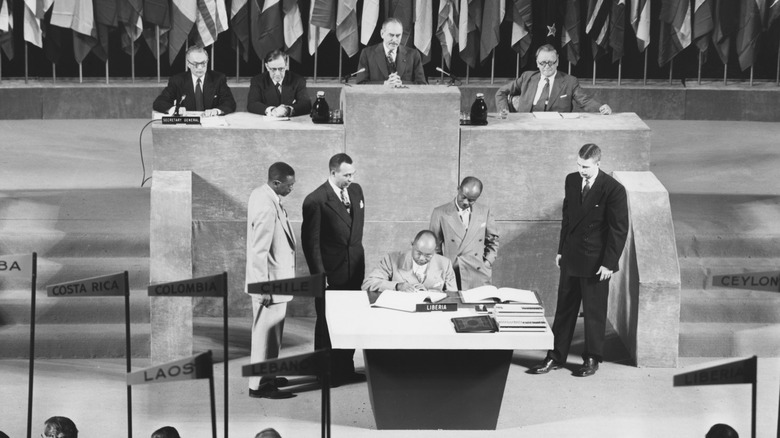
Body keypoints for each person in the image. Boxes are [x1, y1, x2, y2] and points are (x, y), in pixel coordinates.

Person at [530, 144, 628, 377]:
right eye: (578, 165)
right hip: (572, 256)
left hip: (596, 262)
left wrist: (609, 263)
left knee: (594, 312)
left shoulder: (613, 189)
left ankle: (592, 358)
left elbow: (618, 229)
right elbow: (567, 217)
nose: (581, 170)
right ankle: (555, 357)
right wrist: (561, 250)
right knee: (564, 309)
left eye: (585, 166)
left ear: (598, 164)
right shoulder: (571, 180)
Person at [302, 153, 366, 386]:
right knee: (327, 325)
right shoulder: (315, 200)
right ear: (332, 173)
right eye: (346, 175)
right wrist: (320, 278)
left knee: (349, 322)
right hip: (331, 275)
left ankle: (345, 369)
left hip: (354, 271)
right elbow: (311, 244)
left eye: (352, 174)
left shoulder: (357, 191)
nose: (351, 178)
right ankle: (325, 373)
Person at [245, 162, 298, 399]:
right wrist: (263, 287)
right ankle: (259, 386)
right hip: (270, 284)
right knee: (265, 337)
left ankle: (268, 374)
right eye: (289, 186)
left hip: (276, 281)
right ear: (276, 182)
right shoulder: (267, 206)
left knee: (271, 335)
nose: (291, 189)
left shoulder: (263, 195)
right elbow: (259, 251)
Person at [495, 44, 612, 114]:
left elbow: (585, 100)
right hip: (526, 126)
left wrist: (600, 107)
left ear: (557, 62)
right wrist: (504, 113)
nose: (546, 67)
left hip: (557, 129)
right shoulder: (527, 77)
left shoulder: (569, 81)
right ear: (537, 63)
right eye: (542, 63)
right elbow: (501, 92)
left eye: (551, 63)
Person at [429, 176, 499, 291]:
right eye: (464, 197)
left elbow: (493, 240)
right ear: (458, 189)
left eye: (472, 200)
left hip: (478, 272)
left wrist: (487, 262)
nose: (466, 202)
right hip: (453, 271)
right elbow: (434, 246)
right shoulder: (440, 212)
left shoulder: (485, 211)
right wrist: (442, 269)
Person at [362, 230, 457, 293]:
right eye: (418, 253)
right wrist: (397, 286)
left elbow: (453, 295)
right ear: (412, 245)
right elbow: (368, 283)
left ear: (435, 250)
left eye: (428, 255)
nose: (422, 258)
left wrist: (429, 293)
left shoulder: (445, 264)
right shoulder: (392, 259)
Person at [152, 45, 236, 117]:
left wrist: (217, 111)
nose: (200, 68)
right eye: (195, 64)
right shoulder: (177, 80)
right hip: (186, 126)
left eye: (203, 63)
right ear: (188, 64)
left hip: (211, 124)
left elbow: (230, 103)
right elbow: (159, 102)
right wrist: (175, 110)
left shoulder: (218, 79)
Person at [356, 18, 427, 86]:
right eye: (391, 35)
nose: (394, 39)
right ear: (382, 34)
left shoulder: (413, 55)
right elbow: (361, 83)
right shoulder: (367, 54)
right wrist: (384, 84)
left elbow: (421, 84)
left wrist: (402, 84)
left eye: (398, 36)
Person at [247, 49, 312, 117]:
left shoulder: (298, 80)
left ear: (286, 65)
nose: (277, 73)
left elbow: (306, 104)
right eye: (273, 69)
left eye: (281, 69)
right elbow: (252, 104)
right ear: (267, 66)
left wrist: (288, 110)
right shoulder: (258, 81)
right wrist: (272, 110)